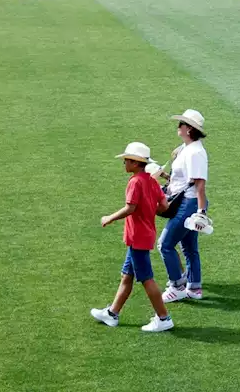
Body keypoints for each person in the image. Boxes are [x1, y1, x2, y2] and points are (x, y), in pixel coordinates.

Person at [90, 141, 174, 332]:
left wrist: (109, 218)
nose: (124, 163)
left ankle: (164, 318)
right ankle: (113, 313)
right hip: (145, 234)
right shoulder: (152, 182)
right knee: (126, 276)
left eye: (127, 160)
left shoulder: (135, 182)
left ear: (136, 163)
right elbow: (164, 206)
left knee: (146, 279)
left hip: (137, 237)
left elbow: (130, 208)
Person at [160, 109, 211, 303]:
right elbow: (182, 179)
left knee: (164, 245)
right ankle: (194, 287)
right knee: (189, 247)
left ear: (188, 129)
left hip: (188, 204)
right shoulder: (187, 148)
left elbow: (199, 184)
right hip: (188, 201)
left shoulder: (195, 152)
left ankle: (177, 285)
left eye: (181, 124)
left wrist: (200, 211)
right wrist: (163, 176)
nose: (178, 127)